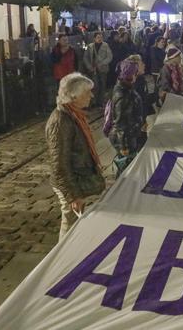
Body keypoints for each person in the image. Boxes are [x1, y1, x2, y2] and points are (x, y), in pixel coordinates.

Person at [45, 73, 105, 240]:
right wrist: (73, 195)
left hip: (77, 178)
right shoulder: (61, 122)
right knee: (70, 224)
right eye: (87, 93)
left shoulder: (74, 115)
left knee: (75, 222)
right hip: (70, 183)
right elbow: (59, 165)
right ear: (74, 96)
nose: (91, 96)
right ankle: (63, 260)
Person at [108, 61, 144, 174]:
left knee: (129, 165)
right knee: (126, 167)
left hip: (130, 133)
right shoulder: (122, 95)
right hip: (126, 137)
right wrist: (123, 146)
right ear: (129, 74)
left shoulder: (126, 88)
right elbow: (120, 123)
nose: (136, 74)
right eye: (135, 72)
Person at [82, 32, 112, 107]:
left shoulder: (105, 45)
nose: (100, 39)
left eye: (101, 37)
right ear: (94, 38)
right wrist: (89, 66)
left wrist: (102, 63)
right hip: (93, 69)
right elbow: (85, 57)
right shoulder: (90, 46)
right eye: (98, 37)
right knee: (95, 85)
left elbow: (109, 56)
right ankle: (93, 101)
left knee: (102, 85)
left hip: (103, 69)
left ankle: (100, 102)